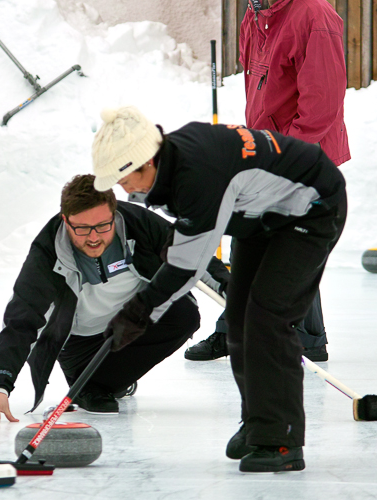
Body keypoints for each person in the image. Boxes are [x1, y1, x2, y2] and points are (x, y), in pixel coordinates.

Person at [91, 106, 346, 472]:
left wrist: (137, 314)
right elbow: (189, 239)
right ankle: (259, 421)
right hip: (262, 217)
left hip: (312, 207)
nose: (123, 189)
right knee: (239, 320)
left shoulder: (198, 174)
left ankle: (281, 440)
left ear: (147, 161)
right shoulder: (176, 161)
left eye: (123, 179)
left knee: (267, 319)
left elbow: (186, 267)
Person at [185, 0, 349, 363]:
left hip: (301, 153)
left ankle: (304, 335)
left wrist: (284, 154)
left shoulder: (314, 15)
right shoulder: (256, 11)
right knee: (253, 234)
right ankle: (243, 328)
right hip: (267, 146)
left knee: (291, 241)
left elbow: (323, 102)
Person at [0, 174, 204, 422]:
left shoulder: (138, 223)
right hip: (79, 344)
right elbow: (21, 320)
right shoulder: (47, 253)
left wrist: (231, 292)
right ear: (65, 221)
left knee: (183, 313)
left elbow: (194, 252)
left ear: (115, 214)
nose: (93, 238)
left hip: (130, 323)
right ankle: (98, 382)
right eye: (81, 228)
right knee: (96, 383)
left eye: (103, 226)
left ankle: (105, 381)